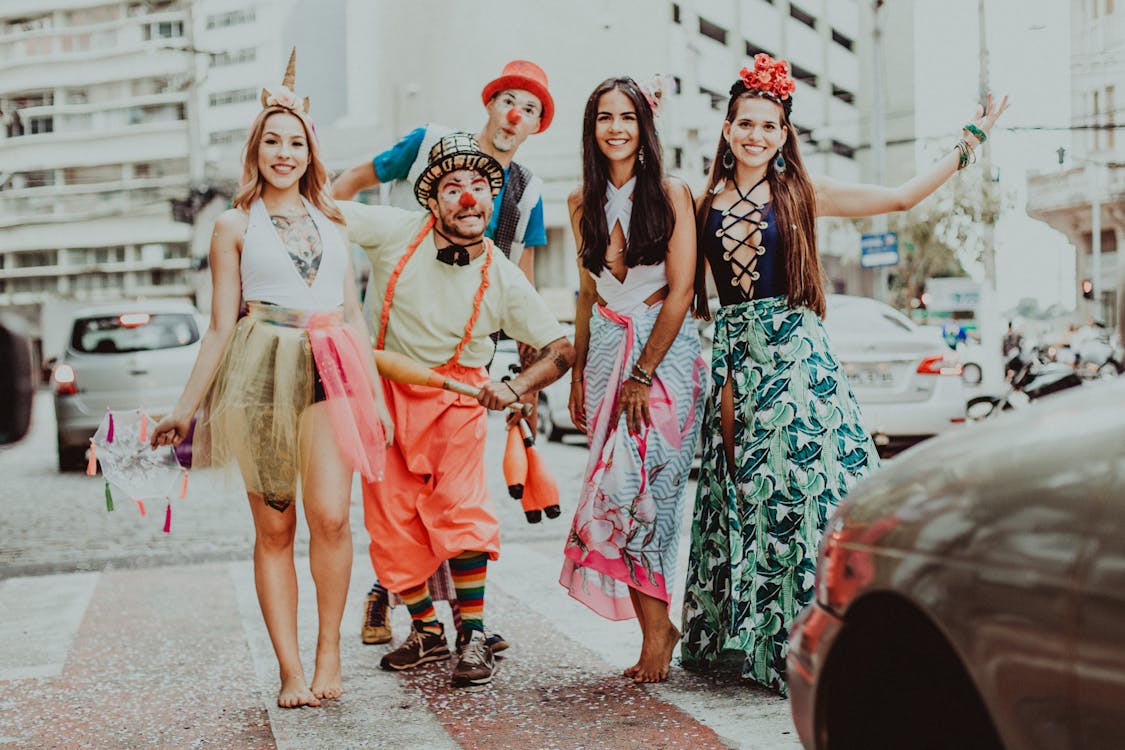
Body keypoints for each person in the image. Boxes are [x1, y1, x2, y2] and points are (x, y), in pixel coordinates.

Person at [680, 54, 1009, 694]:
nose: (756, 135)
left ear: (783, 135)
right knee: (747, 494)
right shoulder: (698, 204)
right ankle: (757, 640)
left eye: (769, 126)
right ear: (726, 129)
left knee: (808, 490)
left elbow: (902, 196)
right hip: (735, 357)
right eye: (745, 123)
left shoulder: (803, 189)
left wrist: (971, 141)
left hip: (800, 359)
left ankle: (821, 643)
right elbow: (667, 275)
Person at [150, 51, 393, 708]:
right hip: (260, 370)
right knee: (275, 529)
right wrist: (184, 409)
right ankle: (289, 669)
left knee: (331, 520)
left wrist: (373, 398)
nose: (283, 153)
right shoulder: (232, 225)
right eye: (271, 142)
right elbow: (219, 327)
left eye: (294, 142)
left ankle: (328, 655)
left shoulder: (336, 220)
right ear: (254, 151)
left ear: (310, 150)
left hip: (331, 363)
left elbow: (354, 316)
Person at [341, 131, 575, 691]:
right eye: (453, 187)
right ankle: (427, 631)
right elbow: (316, 210)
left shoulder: (502, 275)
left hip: (458, 400)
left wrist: (517, 386)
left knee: (461, 512)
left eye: (478, 186)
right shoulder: (394, 231)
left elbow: (562, 349)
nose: (468, 197)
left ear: (491, 200)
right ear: (431, 198)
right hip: (382, 394)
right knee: (391, 521)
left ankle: (472, 631)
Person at [558, 77, 704, 684]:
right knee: (615, 494)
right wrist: (578, 373)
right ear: (592, 130)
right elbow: (589, 292)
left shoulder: (672, 194)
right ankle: (657, 628)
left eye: (627, 117)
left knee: (649, 493)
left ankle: (658, 634)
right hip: (605, 355)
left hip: (663, 359)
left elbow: (683, 291)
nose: (615, 127)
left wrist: (642, 373)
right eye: (603, 118)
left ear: (645, 127)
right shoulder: (577, 202)